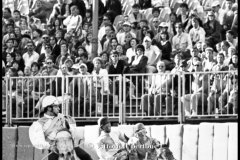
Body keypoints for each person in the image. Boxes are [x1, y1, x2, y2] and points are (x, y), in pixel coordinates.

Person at [29, 95, 93, 160]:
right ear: (49, 108)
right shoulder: (39, 124)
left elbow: (73, 134)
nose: (59, 109)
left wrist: (72, 125)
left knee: (86, 157)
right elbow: (38, 142)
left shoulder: (64, 117)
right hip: (55, 149)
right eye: (56, 106)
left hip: (70, 146)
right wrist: (50, 147)